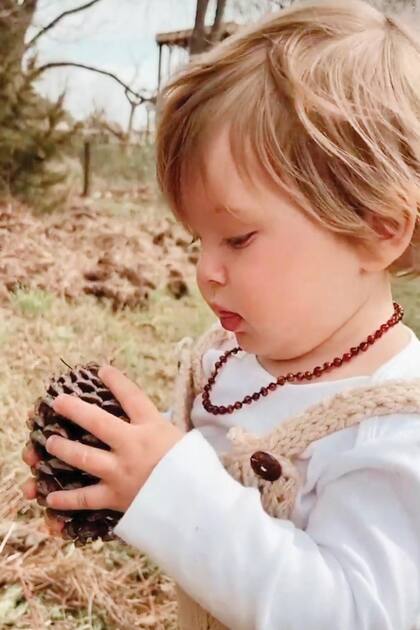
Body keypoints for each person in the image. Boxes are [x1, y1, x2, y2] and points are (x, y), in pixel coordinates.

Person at [21, 0, 420, 627]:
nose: (206, 270)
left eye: (237, 239)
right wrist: (123, 486)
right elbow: (219, 537)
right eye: (195, 240)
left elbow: (354, 613)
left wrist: (171, 490)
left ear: (377, 229)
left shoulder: (396, 428)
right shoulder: (228, 362)